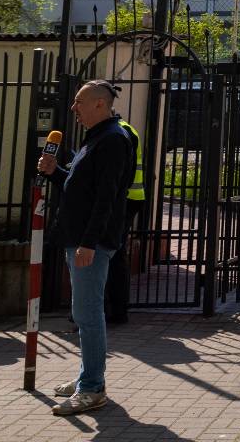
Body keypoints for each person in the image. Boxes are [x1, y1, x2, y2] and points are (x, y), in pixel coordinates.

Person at [37, 80, 135, 415]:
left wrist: (89, 242)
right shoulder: (94, 138)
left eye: (79, 101)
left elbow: (107, 196)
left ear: (99, 104)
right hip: (77, 236)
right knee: (83, 313)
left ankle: (92, 387)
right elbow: (79, 188)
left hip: (90, 241)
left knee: (88, 315)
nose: (73, 108)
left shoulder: (113, 140)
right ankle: (87, 378)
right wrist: (54, 173)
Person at [104, 113, 144, 325]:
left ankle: (117, 309)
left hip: (125, 199)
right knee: (114, 251)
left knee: (113, 251)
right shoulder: (119, 129)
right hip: (126, 197)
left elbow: (122, 171)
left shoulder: (121, 131)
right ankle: (114, 308)